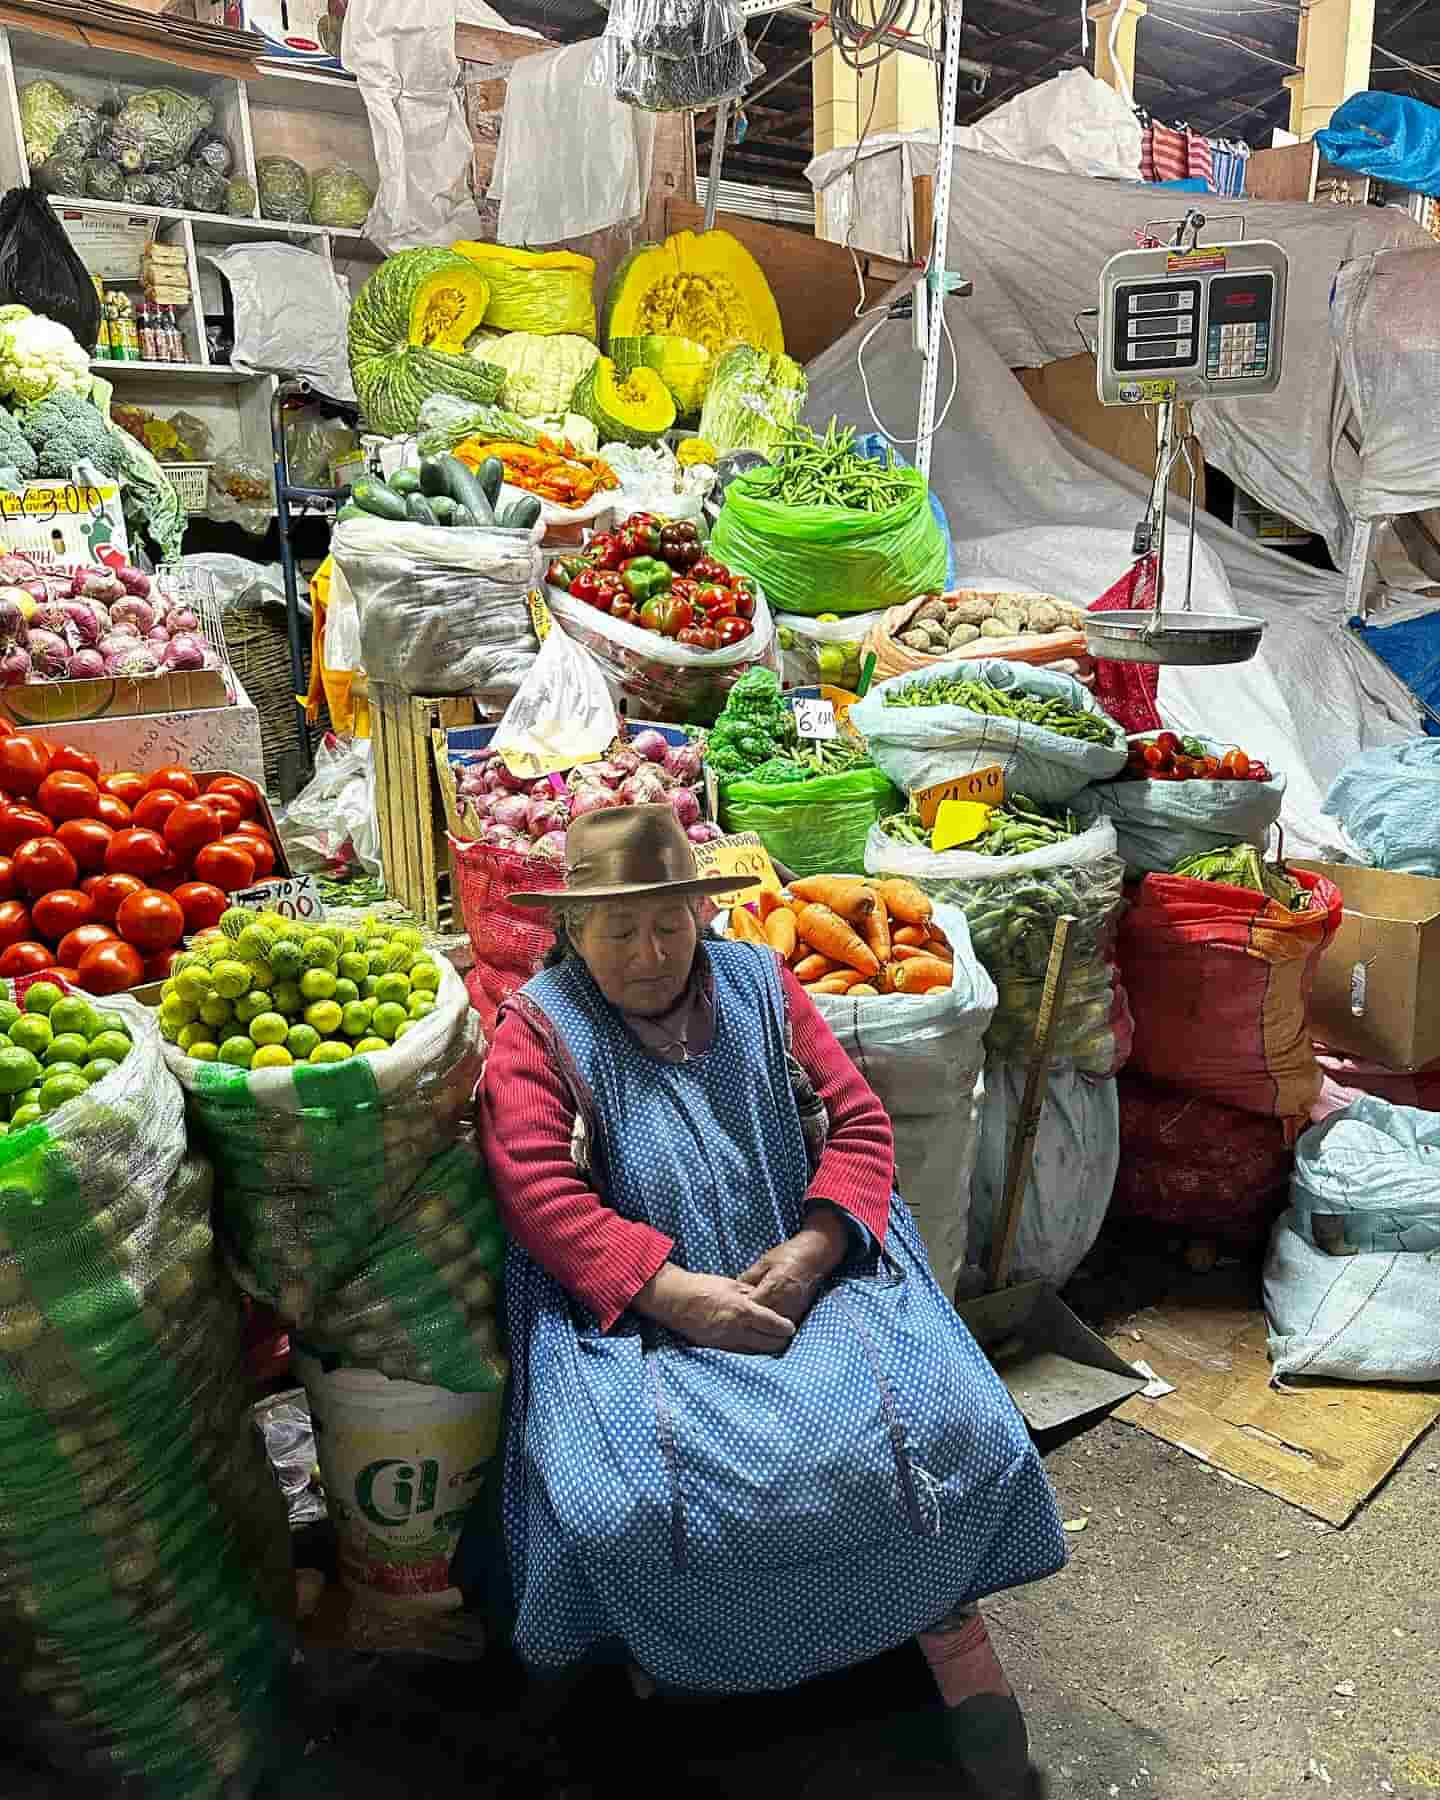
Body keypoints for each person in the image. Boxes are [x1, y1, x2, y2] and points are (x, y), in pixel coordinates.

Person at [477, 805, 1067, 1797]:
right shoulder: (540, 1027)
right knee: (624, 1502)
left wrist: (813, 1248)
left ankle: (949, 1628)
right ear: (573, 928)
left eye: (668, 923)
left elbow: (859, 1124)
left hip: (805, 1265)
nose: (649, 952)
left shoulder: (758, 982)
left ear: (701, 916)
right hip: (632, 1305)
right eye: (618, 929)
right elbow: (538, 1193)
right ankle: (677, 1654)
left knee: (951, 1425)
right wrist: (672, 1295)